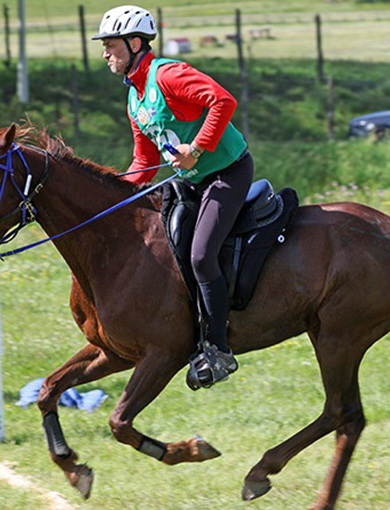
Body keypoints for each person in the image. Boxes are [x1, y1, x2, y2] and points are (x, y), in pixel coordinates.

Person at [92, 6, 254, 388]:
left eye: (110, 45)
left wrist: (196, 149)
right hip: (191, 180)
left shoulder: (168, 74)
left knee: (201, 255)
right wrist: (113, 195)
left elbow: (223, 102)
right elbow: (144, 160)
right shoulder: (134, 97)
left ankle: (217, 350)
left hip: (226, 173)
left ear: (135, 43)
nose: (105, 53)